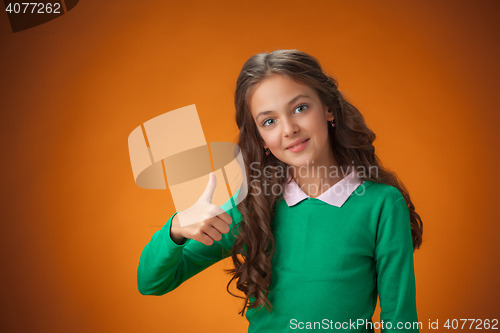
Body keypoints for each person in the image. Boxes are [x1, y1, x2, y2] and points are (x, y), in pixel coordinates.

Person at [137, 49, 423, 332]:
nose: (289, 129)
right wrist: (175, 229)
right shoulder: (253, 209)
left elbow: (401, 320)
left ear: (328, 108)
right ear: (261, 139)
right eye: (269, 121)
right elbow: (152, 282)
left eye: (300, 108)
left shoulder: (382, 205)